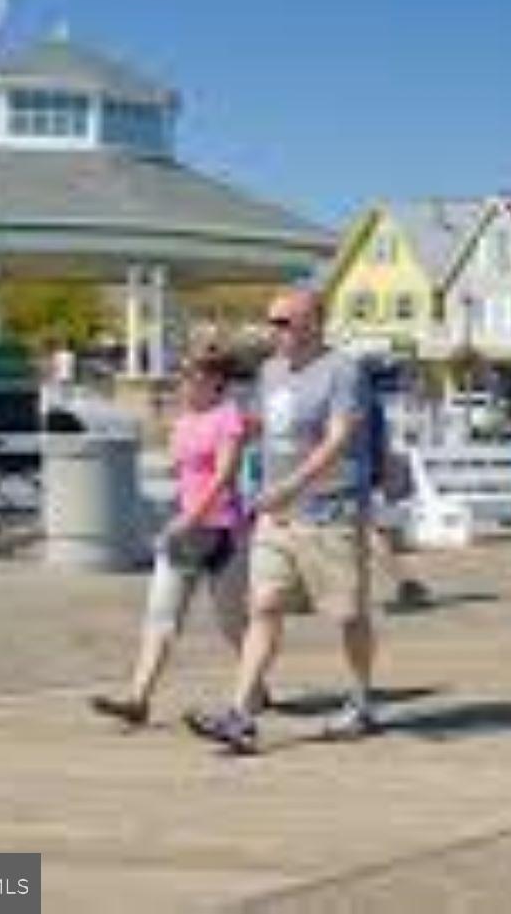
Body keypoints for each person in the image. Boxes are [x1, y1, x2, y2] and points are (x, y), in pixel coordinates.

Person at [189, 289, 380, 755]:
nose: (274, 331)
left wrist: (293, 484)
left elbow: (338, 439)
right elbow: (258, 426)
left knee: (348, 613)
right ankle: (241, 715)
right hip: (277, 514)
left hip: (331, 510)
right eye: (271, 322)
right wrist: (215, 439)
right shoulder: (271, 371)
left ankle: (361, 700)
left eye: (284, 322)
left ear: (313, 323)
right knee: (264, 606)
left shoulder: (343, 371)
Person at [90, 346, 258, 727]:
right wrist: (173, 514)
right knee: (160, 616)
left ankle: (254, 685)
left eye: (193, 377)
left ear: (216, 381)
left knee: (232, 622)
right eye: (183, 376)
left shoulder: (228, 417)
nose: (185, 384)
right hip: (183, 532)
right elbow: (182, 475)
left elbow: (224, 475)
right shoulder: (182, 423)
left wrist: (192, 517)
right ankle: (138, 698)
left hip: (222, 531)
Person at [361, 360, 433, 613]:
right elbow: (381, 446)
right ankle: (407, 583)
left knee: (366, 535)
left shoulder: (360, 402)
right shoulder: (373, 403)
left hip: (348, 477)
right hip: (362, 476)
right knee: (364, 535)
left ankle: (407, 583)